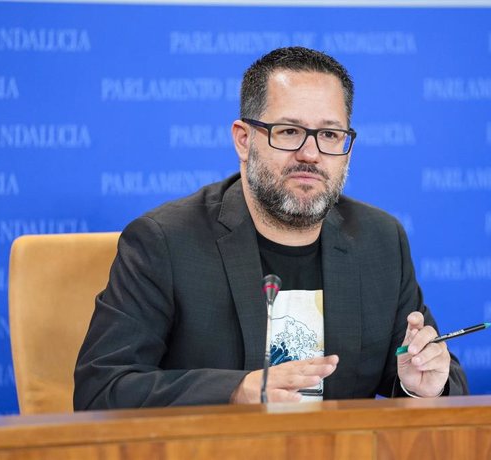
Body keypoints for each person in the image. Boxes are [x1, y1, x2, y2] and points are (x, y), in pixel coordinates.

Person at [74, 47, 468, 409]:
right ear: (244, 140)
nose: (310, 154)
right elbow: (101, 390)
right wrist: (235, 390)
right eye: (289, 131)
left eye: (330, 135)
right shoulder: (164, 242)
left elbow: (426, 369)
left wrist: (423, 383)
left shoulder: (379, 240)